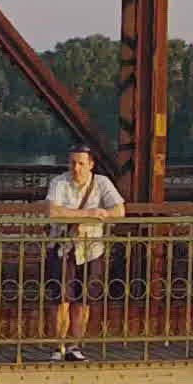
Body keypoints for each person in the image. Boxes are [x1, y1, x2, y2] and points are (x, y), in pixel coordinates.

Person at [44, 145, 125, 361]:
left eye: (81, 163)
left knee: (84, 300)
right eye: (73, 163)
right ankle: (59, 347)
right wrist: (89, 214)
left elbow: (119, 211)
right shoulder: (59, 182)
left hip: (91, 249)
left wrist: (100, 213)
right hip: (64, 248)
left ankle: (75, 346)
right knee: (61, 299)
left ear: (91, 164)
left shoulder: (102, 183)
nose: (76, 168)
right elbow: (53, 211)